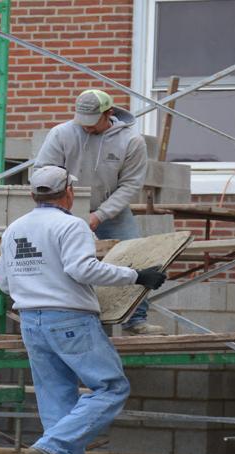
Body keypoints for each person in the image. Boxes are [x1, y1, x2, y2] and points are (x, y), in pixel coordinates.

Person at [0, 165, 168, 454]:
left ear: (32, 193)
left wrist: (38, 286)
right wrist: (136, 276)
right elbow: (83, 270)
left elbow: (4, 282)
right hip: (69, 318)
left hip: (30, 321)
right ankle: (53, 446)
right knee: (111, 387)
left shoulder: (14, 229)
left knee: (56, 397)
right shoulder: (71, 225)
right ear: (69, 193)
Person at [33, 89, 161, 334]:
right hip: (62, 207)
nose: (87, 128)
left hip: (112, 212)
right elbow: (43, 171)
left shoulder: (131, 142)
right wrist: (64, 204)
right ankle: (74, 316)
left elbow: (130, 185)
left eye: (92, 123)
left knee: (136, 255)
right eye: (83, 123)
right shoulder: (61, 134)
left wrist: (100, 215)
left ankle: (135, 319)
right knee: (63, 260)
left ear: (108, 113)